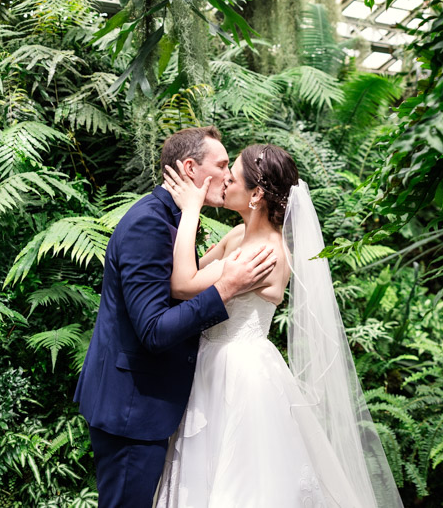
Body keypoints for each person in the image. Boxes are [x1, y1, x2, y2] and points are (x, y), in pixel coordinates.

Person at [155, 144, 403, 507]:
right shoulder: (236, 238)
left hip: (240, 374)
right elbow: (181, 280)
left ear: (256, 194)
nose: (224, 180)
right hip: (208, 364)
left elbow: (182, 283)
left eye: (233, 175)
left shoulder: (265, 255)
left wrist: (191, 210)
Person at [74, 127, 278, 508]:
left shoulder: (179, 217)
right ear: (190, 168)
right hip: (132, 411)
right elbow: (153, 330)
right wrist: (226, 289)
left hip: (161, 406)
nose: (228, 175)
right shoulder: (148, 223)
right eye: (221, 165)